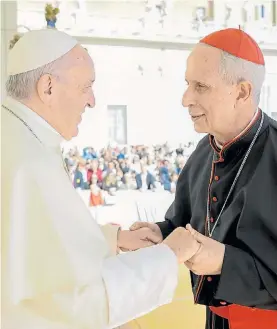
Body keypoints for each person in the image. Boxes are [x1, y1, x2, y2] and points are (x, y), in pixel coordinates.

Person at [1, 29, 201, 329]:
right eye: (86, 87)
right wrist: (168, 256)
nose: (92, 101)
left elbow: (40, 245)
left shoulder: (17, 138)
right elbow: (73, 301)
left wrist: (114, 239)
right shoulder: (29, 165)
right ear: (48, 88)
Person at [130, 28, 277, 329]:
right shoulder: (204, 149)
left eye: (201, 87)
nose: (186, 99)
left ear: (242, 92)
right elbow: (183, 222)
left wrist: (225, 261)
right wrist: (160, 233)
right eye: (187, 84)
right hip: (215, 319)